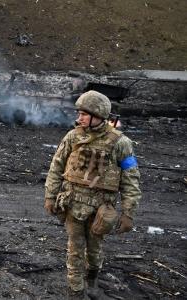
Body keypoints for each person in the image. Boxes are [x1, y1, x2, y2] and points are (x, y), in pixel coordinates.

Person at [44, 90, 141, 299]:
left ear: (98, 116)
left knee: (95, 251)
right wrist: (50, 196)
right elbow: (56, 166)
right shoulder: (73, 137)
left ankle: (92, 278)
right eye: (79, 113)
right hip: (72, 204)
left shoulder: (121, 143)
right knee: (75, 250)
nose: (79, 118)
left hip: (101, 209)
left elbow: (131, 179)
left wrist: (128, 213)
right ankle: (75, 291)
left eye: (84, 114)